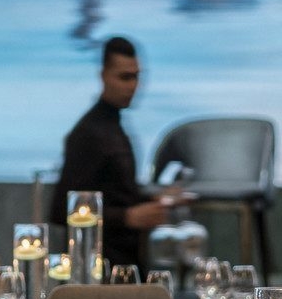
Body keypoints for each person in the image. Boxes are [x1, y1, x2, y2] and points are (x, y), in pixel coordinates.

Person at [50, 36, 183, 272]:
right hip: (99, 270)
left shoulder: (113, 128)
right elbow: (61, 210)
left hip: (123, 264)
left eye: (136, 76)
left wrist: (154, 200)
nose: (132, 86)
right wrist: (128, 217)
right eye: (124, 77)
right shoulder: (88, 134)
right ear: (103, 76)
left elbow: (117, 193)